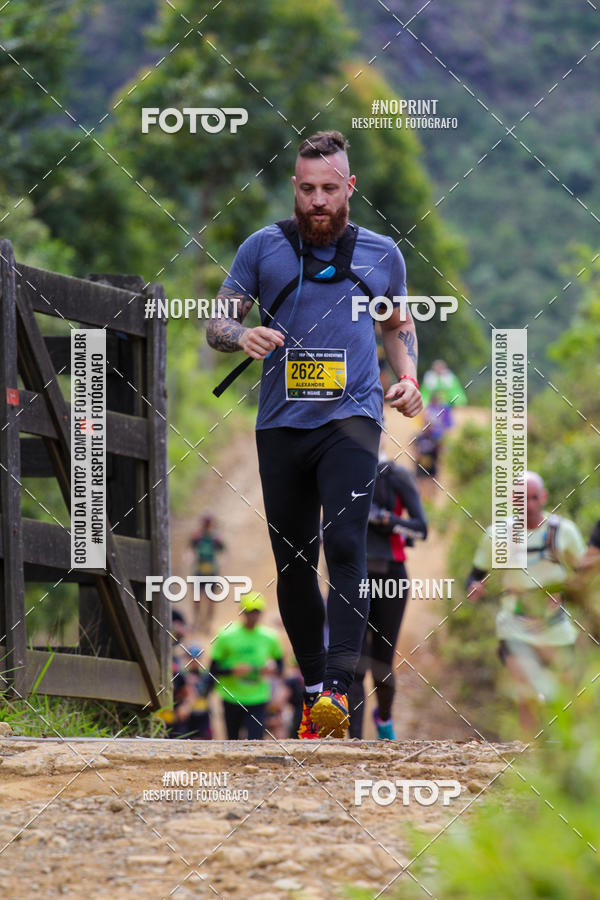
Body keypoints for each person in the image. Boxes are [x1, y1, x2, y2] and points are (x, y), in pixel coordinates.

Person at [207, 130, 422, 739]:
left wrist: (407, 380)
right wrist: (238, 335)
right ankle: (314, 691)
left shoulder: (383, 255)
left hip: (353, 419)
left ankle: (340, 689)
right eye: (307, 190)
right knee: (294, 561)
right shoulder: (262, 249)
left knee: (347, 548)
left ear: (349, 187)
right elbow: (219, 318)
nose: (318, 201)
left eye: (330, 189)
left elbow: (398, 326)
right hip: (281, 425)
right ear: (294, 188)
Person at [466, 471, 586, 733]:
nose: (529, 505)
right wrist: (474, 588)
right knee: (526, 694)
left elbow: (584, 574)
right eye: (522, 498)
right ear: (513, 500)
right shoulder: (498, 535)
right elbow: (475, 574)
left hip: (556, 628)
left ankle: (556, 758)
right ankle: (526, 755)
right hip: (514, 626)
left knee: (563, 697)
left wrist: (572, 591)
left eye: (534, 498)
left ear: (543, 497)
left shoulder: (563, 533)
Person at [348, 457, 427, 739]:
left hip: (391, 575)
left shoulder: (397, 476)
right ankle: (353, 737)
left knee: (382, 663)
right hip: (352, 574)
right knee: (353, 662)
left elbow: (420, 529)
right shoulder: (343, 469)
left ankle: (383, 721)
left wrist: (386, 520)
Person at [210, 593, 284, 740]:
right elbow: (213, 670)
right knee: (232, 740)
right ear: (242, 612)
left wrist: (271, 670)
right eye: (249, 612)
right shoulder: (226, 635)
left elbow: (280, 667)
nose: (253, 617)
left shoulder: (269, 637)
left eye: (256, 612)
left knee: (256, 740)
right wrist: (232, 670)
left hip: (258, 697)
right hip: (231, 697)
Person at [189, 513, 225, 630]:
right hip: (200, 570)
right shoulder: (197, 537)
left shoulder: (215, 538)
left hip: (211, 571)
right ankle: (196, 622)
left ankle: (208, 624)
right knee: (197, 598)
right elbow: (190, 549)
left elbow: (223, 551)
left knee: (211, 599)